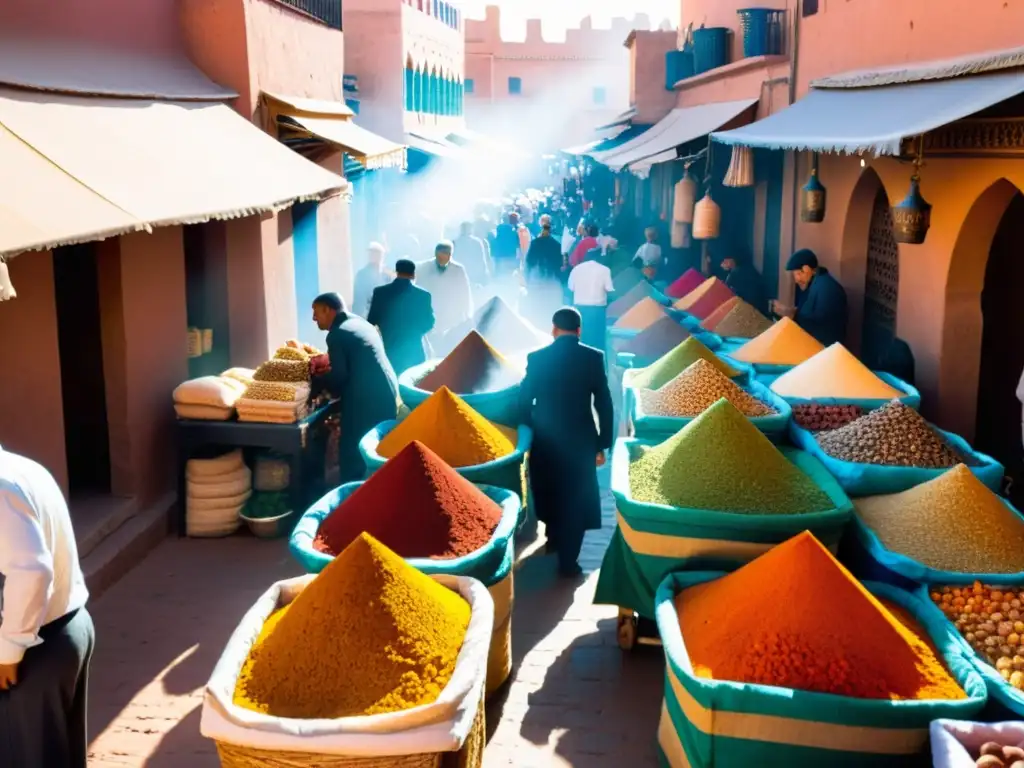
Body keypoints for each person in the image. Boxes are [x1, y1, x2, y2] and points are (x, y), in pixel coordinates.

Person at [0, 447, 94, 767]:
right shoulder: (25, 468)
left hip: (32, 652)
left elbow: (31, 571)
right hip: (66, 627)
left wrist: (8, 650)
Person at [518, 307, 614, 577]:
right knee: (576, 496)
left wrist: (527, 432)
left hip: (545, 439)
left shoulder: (537, 358)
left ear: (553, 329)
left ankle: (554, 538)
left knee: (548, 488)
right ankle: (569, 562)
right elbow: (604, 403)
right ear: (579, 330)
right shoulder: (593, 358)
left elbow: (524, 399)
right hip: (580, 440)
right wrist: (602, 443)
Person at [311, 292, 399, 482]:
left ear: (328, 310)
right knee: (378, 448)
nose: (313, 318)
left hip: (367, 401)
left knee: (354, 448)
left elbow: (339, 377)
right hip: (388, 392)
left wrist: (316, 381)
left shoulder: (336, 334)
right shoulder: (360, 323)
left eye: (316, 312)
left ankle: (353, 492)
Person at [367, 259, 435, 375]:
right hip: (415, 353)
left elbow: (371, 321)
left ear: (396, 272)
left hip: (389, 352)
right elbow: (429, 323)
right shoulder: (423, 296)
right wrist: (415, 332)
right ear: (413, 275)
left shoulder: (380, 293)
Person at [771, 249, 848, 347]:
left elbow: (821, 325)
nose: (796, 280)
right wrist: (790, 312)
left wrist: (792, 315)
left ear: (806, 269)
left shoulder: (827, 288)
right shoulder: (817, 284)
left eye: (798, 274)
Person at [415, 241, 473, 337]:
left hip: (450, 313)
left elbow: (465, 293)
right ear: (435, 254)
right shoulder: (423, 267)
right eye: (440, 255)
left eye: (446, 254)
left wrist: (467, 314)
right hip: (430, 311)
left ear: (450, 255)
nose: (442, 258)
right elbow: (417, 289)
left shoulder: (458, 270)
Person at [568, 248, 615, 352]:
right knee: (597, 343)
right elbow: (610, 290)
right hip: (597, 311)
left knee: (581, 340)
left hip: (579, 309)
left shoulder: (576, 269)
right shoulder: (605, 270)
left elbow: (570, 289)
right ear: (599, 258)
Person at [352, 242, 391, 317]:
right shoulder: (362, 275)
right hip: (367, 314)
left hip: (385, 314)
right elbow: (358, 299)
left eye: (378, 254)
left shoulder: (387, 274)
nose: (375, 256)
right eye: (372, 253)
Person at [453, 221, 491, 290]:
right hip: (474, 275)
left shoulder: (454, 242)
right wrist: (485, 273)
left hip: (459, 275)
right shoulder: (477, 242)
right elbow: (482, 260)